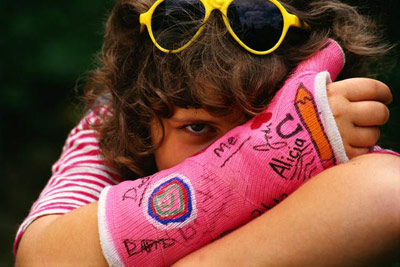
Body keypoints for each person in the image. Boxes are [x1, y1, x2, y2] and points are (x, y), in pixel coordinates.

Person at [15, 0, 400, 266]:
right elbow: (42, 257)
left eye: (269, 120)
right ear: (139, 121)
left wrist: (305, 137)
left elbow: (389, 191)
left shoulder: (325, 132)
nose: (228, 146)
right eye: (197, 127)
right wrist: (273, 147)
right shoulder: (109, 123)